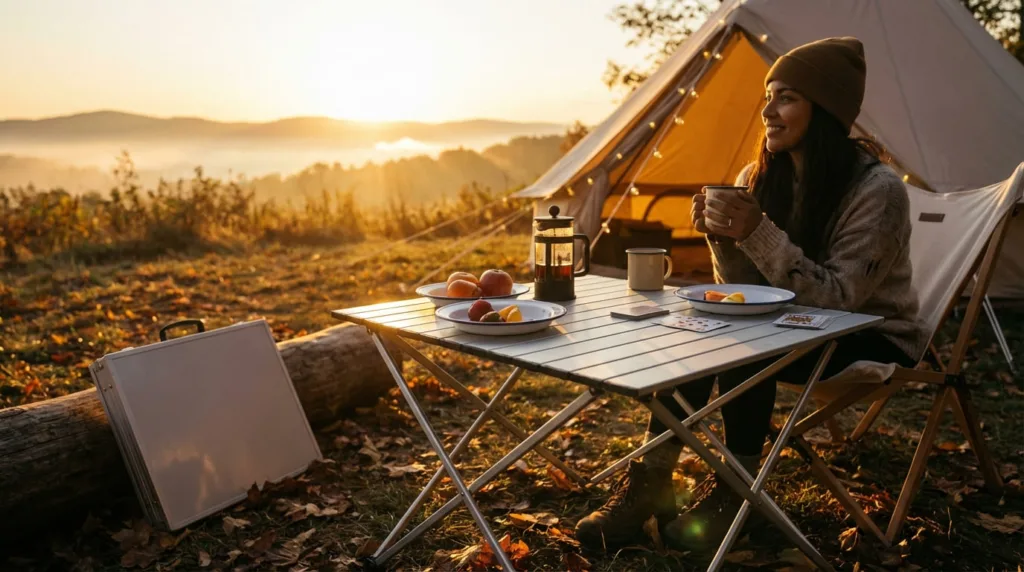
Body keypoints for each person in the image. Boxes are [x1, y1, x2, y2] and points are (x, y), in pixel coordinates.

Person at [574, 36, 929, 553]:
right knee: (696, 330)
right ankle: (650, 485)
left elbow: (840, 298)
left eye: (786, 97)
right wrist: (723, 237)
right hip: (789, 327)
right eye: (769, 96)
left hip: (871, 334)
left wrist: (757, 231)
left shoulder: (878, 191)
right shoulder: (758, 177)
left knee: (748, 345)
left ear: (825, 108)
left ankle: (737, 495)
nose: (767, 111)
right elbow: (742, 288)